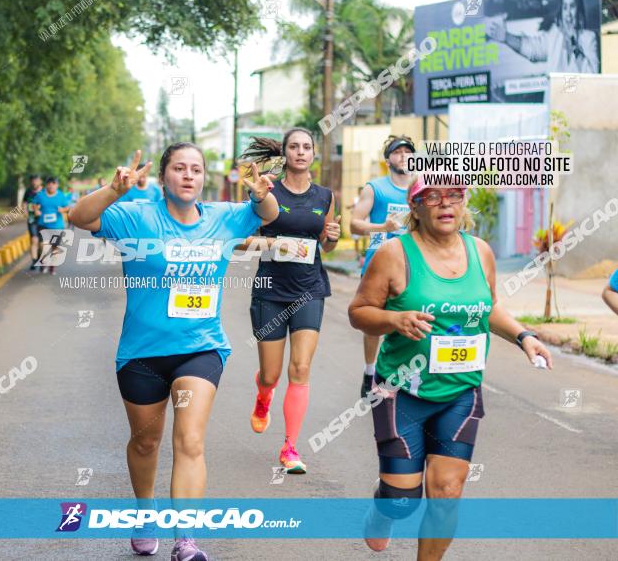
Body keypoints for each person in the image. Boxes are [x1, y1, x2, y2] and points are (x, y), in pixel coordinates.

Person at [69, 146, 277, 561]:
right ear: (164, 177)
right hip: (142, 353)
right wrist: (114, 190)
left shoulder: (224, 217)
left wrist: (258, 194)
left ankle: (186, 539)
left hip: (200, 349)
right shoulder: (137, 216)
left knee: (190, 440)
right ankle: (145, 514)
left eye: (196, 169)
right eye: (179, 169)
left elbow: (268, 214)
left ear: (203, 178)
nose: (188, 175)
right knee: (146, 443)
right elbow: (79, 218)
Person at [348, 177, 552, 559]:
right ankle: (383, 508)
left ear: (463, 204)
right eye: (433, 197)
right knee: (402, 502)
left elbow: (488, 307)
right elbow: (359, 313)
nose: (445, 204)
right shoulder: (394, 254)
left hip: (460, 392)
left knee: (446, 494)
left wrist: (525, 336)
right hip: (401, 392)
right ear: (416, 207)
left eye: (454, 196)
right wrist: (395, 320)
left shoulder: (480, 252)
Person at [235, 128, 340, 474]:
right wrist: (274, 245)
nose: (300, 152)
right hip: (270, 289)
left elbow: (326, 245)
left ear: (314, 154)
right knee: (271, 372)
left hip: (310, 288)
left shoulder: (325, 196)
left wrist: (331, 239)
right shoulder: (268, 189)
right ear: (285, 152)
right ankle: (264, 396)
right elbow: (243, 240)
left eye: (306, 147)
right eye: (294, 146)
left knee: (301, 369)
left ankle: (290, 448)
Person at [351, 135, 415, 399]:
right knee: (373, 323)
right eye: (397, 152)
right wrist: (383, 228)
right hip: (378, 263)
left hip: (411, 263)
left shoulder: (419, 188)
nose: (403, 156)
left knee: (411, 319)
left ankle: (405, 375)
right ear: (388, 159)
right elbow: (355, 224)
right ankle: (370, 372)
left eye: (407, 152)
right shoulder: (375, 188)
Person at [484, 0, 599, 73]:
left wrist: (574, 46)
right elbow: (533, 49)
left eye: (572, 6)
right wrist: (506, 37)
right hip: (554, 98)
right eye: (565, 7)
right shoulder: (555, 34)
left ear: (579, 9)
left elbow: (593, 74)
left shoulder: (589, 38)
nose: (568, 13)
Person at [31, 177, 71, 274]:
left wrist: (63, 210)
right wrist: (36, 211)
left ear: (57, 185)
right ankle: (44, 263)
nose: (51, 185)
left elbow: (68, 207)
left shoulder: (61, 195)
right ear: (46, 185)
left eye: (54, 183)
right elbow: (33, 204)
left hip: (57, 226)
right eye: (49, 183)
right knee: (43, 246)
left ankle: (52, 267)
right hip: (43, 225)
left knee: (54, 247)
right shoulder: (40, 195)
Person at [23, 175, 43, 270]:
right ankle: (34, 261)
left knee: (42, 243)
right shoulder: (28, 192)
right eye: (33, 180)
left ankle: (40, 257)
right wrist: (25, 213)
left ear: (40, 181)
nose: (34, 182)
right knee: (34, 239)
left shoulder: (44, 192)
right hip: (32, 219)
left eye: (36, 180)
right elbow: (24, 203)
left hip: (43, 220)